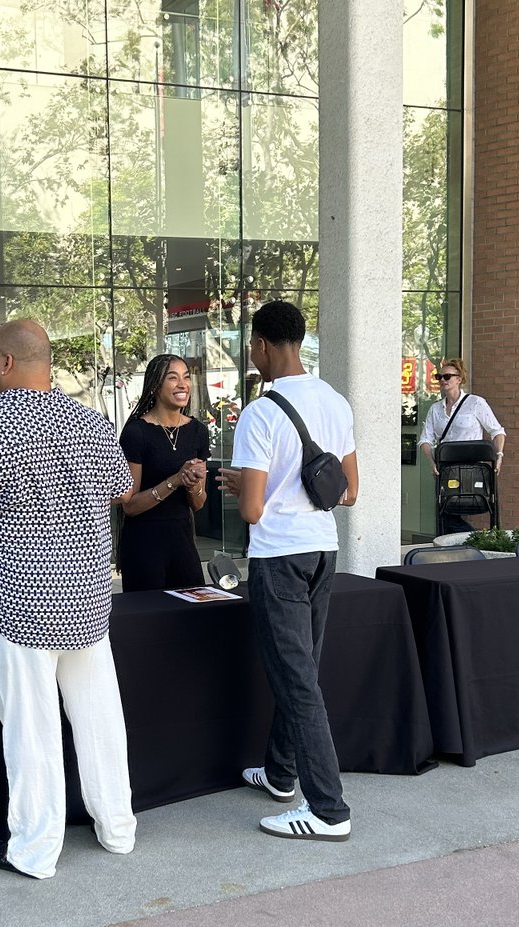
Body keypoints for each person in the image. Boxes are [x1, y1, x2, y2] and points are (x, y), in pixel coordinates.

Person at [0, 318, 137, 879]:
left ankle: (35, 851)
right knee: (101, 722)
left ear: (5, 363)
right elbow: (122, 487)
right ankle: (118, 829)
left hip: (23, 605)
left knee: (32, 734)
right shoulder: (92, 423)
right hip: (89, 599)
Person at [227, 300, 358, 842]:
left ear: (260, 346)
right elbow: (349, 492)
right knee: (301, 669)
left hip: (278, 557)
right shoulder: (335, 401)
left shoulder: (259, 413)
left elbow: (253, 511)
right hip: (323, 550)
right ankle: (280, 774)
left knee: (297, 679)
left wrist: (240, 486)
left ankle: (328, 809)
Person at [117, 354, 209, 591]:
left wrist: (192, 485)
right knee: (148, 622)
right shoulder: (136, 433)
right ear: (156, 385)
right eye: (172, 378)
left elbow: (198, 504)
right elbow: (129, 505)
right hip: (144, 545)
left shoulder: (198, 431)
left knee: (191, 618)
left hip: (182, 542)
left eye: (186, 377)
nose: (182, 384)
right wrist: (174, 480)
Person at [419, 358, 506, 532]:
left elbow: (497, 431)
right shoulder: (435, 409)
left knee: (472, 505)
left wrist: (499, 456)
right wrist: (432, 462)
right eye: (439, 376)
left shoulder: (476, 403)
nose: (443, 380)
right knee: (446, 510)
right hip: (447, 468)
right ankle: (469, 541)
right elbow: (425, 440)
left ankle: (471, 540)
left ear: (459, 379)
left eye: (447, 376)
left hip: (472, 467)